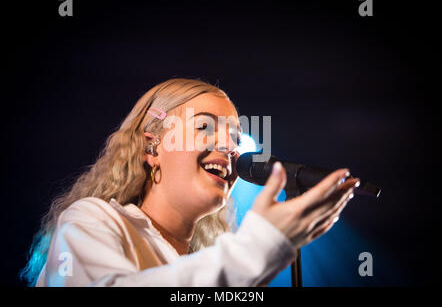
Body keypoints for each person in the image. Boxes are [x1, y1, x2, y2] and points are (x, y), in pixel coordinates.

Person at [21, 78, 359, 286]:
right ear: (152, 147)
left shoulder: (202, 263)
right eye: (205, 127)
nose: (229, 148)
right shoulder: (92, 219)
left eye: (235, 139)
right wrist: (261, 247)